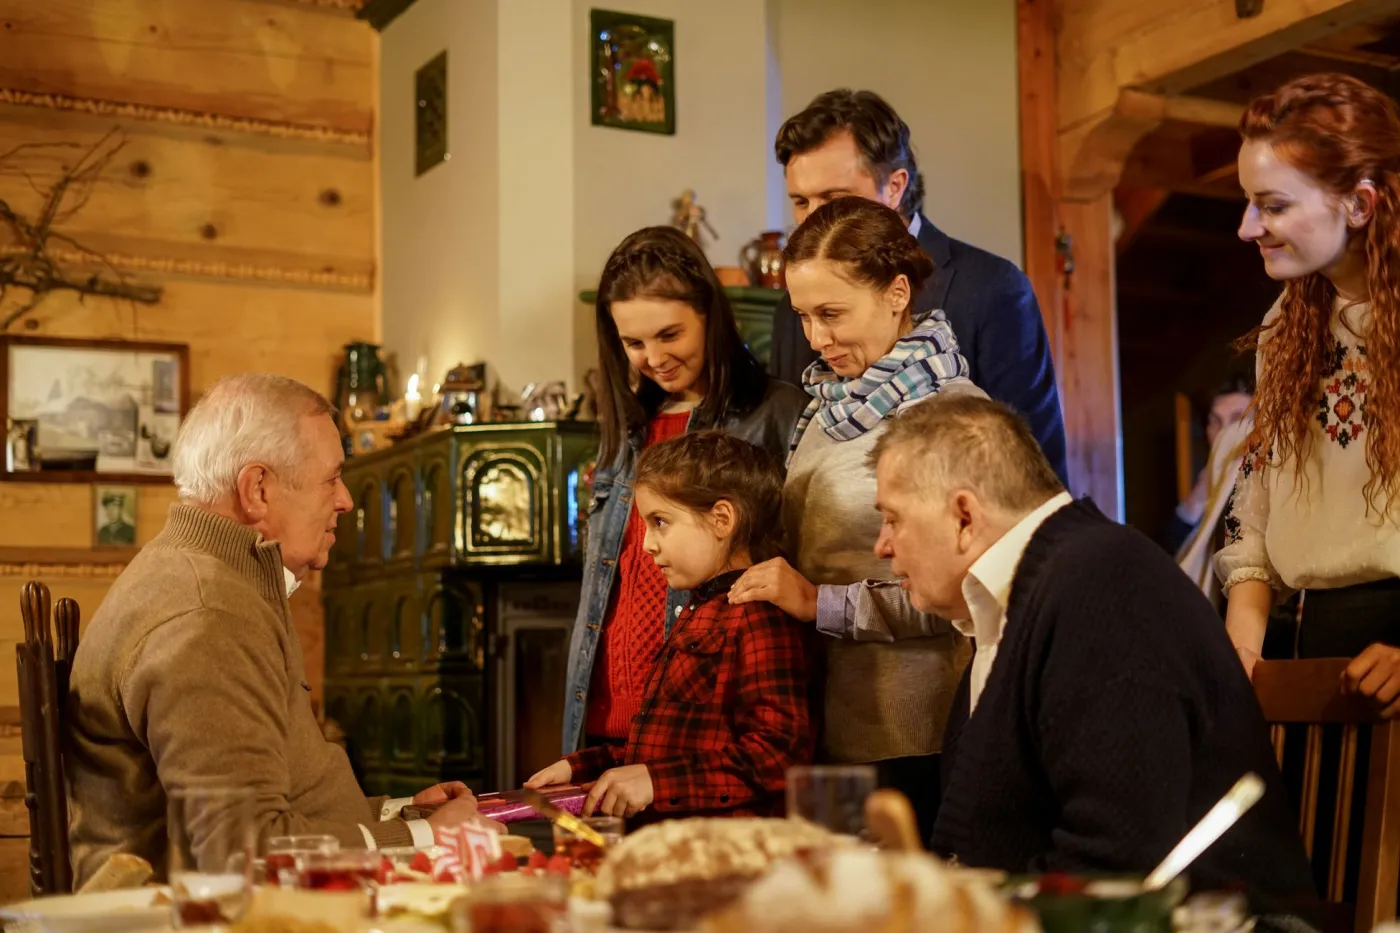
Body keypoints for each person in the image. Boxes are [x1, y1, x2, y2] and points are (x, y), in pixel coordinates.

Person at [870, 392, 1315, 913]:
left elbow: (1116, 864)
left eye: (892, 518)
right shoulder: (1027, 599)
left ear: (964, 516)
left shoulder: (1103, 585)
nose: (882, 545)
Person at [67, 374, 492, 886]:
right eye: (330, 478)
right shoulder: (208, 619)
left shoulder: (219, 583)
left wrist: (399, 817)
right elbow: (238, 851)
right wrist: (424, 840)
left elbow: (272, 802)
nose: (346, 501)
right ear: (258, 490)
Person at [729, 196, 980, 842]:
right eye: (805, 317)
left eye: (832, 314)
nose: (816, 339)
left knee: (895, 912)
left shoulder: (952, 416)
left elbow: (971, 596)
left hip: (908, 732)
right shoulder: (827, 406)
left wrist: (820, 603)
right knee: (829, 907)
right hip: (818, 722)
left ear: (898, 293)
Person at [562, 227, 808, 756]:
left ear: (710, 318)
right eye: (633, 343)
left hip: (708, 728)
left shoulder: (778, 414)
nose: (653, 357)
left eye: (669, 335)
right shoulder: (625, 433)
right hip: (605, 721)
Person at [768, 88, 1068, 484]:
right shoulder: (792, 304)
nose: (813, 220)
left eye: (834, 197)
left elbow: (1035, 466)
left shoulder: (992, 287)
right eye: (801, 202)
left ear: (895, 186)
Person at [1217, 73, 1400, 708]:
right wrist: (1241, 642)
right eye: (1248, 202)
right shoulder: (1285, 327)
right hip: (1318, 639)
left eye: (1272, 205)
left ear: (1359, 203)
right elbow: (1259, 496)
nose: (1248, 227)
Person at [531, 432, 812, 822]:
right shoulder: (699, 612)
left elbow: (778, 755)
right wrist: (581, 767)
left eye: (660, 522)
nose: (647, 544)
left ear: (722, 519)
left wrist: (656, 782)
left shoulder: (759, 616)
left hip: (723, 855)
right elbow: (665, 745)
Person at [1166, 374, 1255, 610]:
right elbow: (1175, 543)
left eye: (1236, 419)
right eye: (1215, 421)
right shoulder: (1207, 479)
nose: (1223, 431)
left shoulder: (1264, 482)